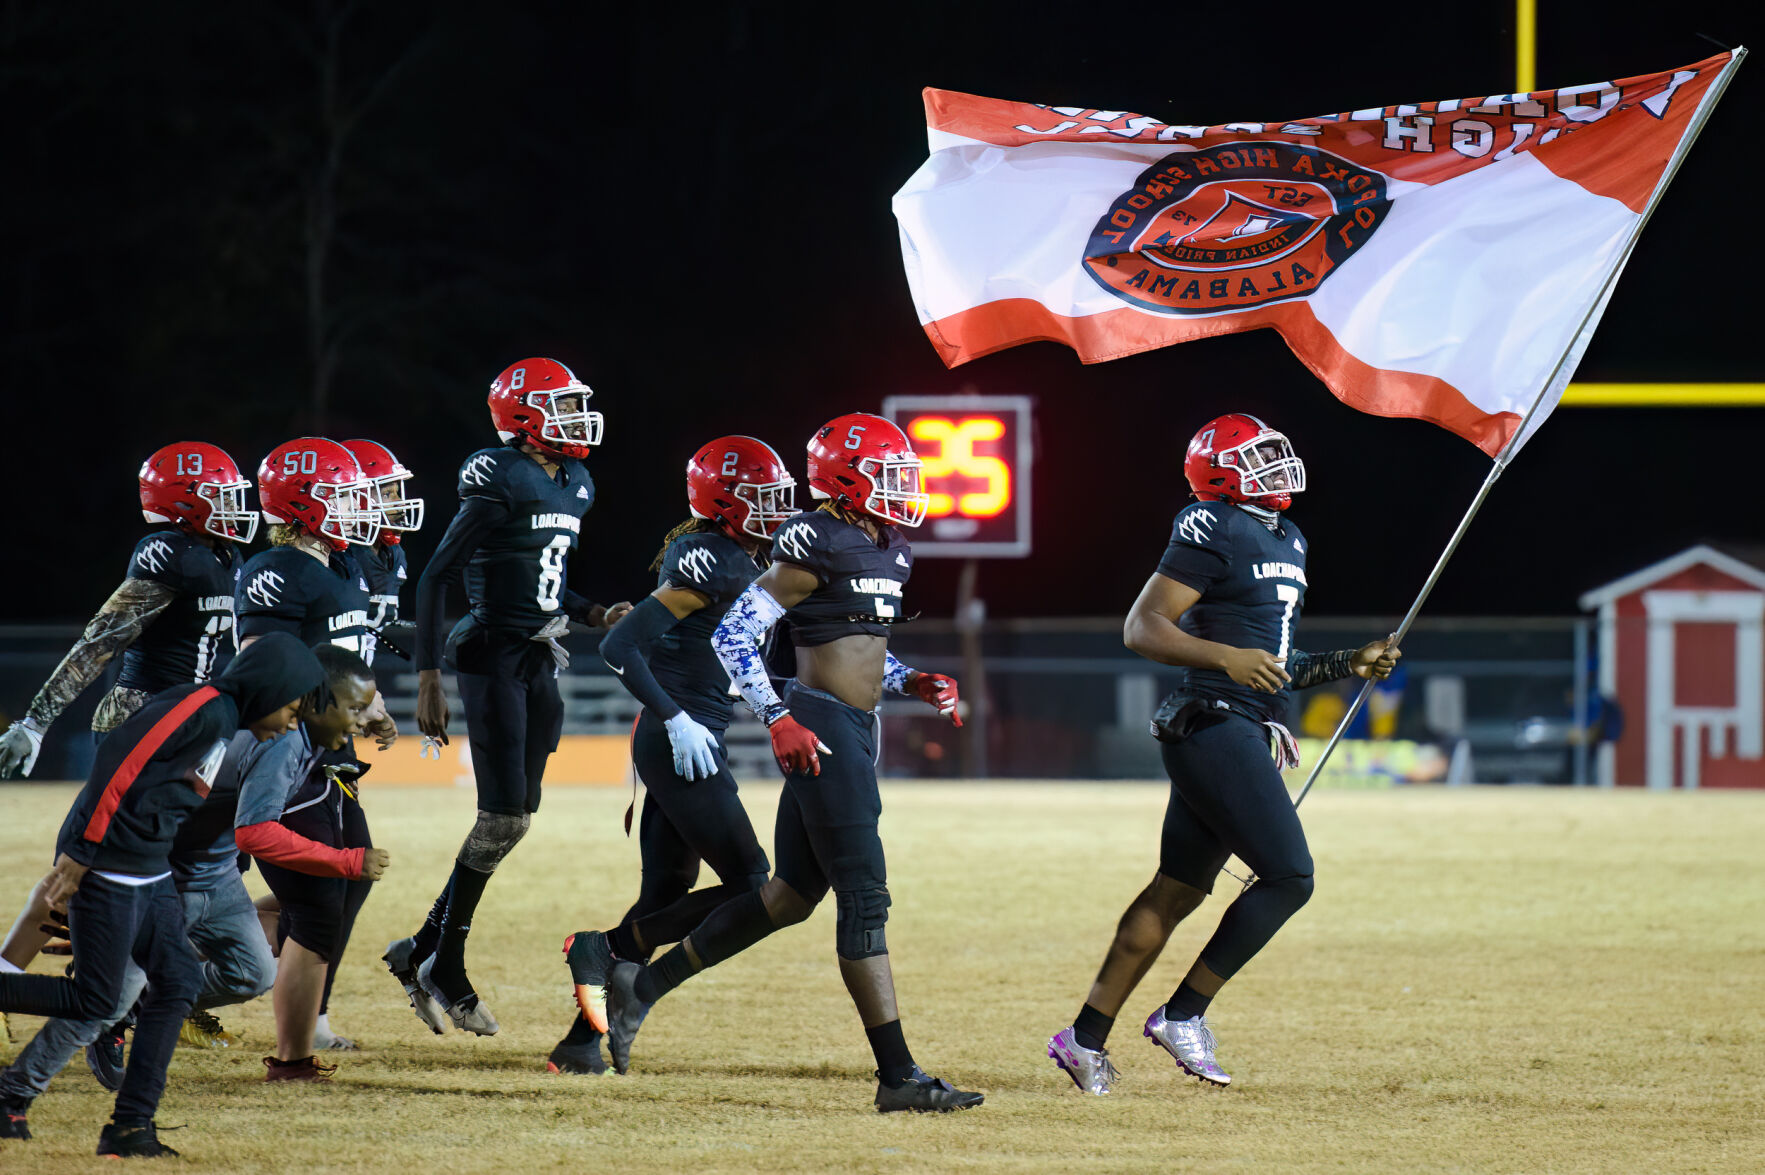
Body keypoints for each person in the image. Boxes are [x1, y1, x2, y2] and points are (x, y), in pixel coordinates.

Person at [597, 412, 983, 1113]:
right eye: (886, 474)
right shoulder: (816, 536)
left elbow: (859, 646)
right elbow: (737, 634)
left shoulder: (891, 548)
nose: (902, 488)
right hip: (821, 727)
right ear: (843, 478)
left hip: (855, 726)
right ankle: (897, 1076)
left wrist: (913, 680)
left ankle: (640, 987)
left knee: (789, 896)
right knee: (863, 897)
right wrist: (778, 717)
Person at [1045, 414, 1399, 1096]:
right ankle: (1183, 1013)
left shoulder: (1286, 534)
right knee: (1289, 875)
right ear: (1219, 472)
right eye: (1256, 457)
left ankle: (1082, 1036)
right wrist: (1223, 656)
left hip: (1238, 721)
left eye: (1274, 452)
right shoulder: (1209, 522)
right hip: (1212, 723)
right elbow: (1142, 626)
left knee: (1177, 888)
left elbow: (1273, 665)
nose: (1275, 464)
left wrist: (1346, 661)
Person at [0, 635, 322, 1157]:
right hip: (111, 864)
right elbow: (118, 761)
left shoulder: (225, 720)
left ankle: (130, 1128)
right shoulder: (205, 708)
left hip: (148, 868)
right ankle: (15, 1096)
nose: (290, 723)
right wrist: (83, 850)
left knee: (175, 985)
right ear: (268, 689)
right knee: (99, 1001)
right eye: (290, 708)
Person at [389, 357, 628, 1036]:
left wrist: (591, 614)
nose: (578, 417)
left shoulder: (573, 480)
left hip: (537, 656)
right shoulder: (501, 473)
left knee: (515, 819)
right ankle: (445, 963)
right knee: (499, 818)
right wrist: (429, 675)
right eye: (563, 405)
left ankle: (420, 950)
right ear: (524, 417)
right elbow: (436, 577)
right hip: (490, 653)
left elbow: (545, 580)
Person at [549, 436, 796, 1076]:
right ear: (724, 502)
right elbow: (620, 647)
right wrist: (677, 716)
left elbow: (725, 662)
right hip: (677, 736)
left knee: (665, 891)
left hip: (685, 731)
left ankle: (581, 1043)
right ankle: (605, 948)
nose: (776, 509)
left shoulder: (734, 554)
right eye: (762, 498)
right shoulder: (713, 558)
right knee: (753, 882)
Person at [0, 441, 255, 1053]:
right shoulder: (169, 553)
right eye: (219, 496)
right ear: (182, 503)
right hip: (143, 724)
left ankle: (135, 991)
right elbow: (100, 640)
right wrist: (36, 721)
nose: (233, 507)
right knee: (94, 859)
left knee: (148, 867)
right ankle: (17, 975)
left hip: (190, 728)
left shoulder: (222, 553)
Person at [237, 437, 397, 1050]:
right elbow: (260, 666)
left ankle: (311, 1017)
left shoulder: (341, 564)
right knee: (318, 901)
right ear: (302, 504)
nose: (358, 507)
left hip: (327, 754)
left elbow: (344, 654)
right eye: (343, 495)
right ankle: (294, 1037)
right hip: (287, 753)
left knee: (346, 886)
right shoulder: (276, 570)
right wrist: (324, 714)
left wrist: (370, 708)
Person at [233, 645, 391, 1081]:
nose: (364, 722)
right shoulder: (283, 741)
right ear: (315, 698)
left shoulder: (302, 735)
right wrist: (344, 860)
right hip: (176, 848)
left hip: (200, 849)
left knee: (316, 909)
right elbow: (253, 831)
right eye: (356, 708)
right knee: (311, 916)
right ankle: (292, 1061)